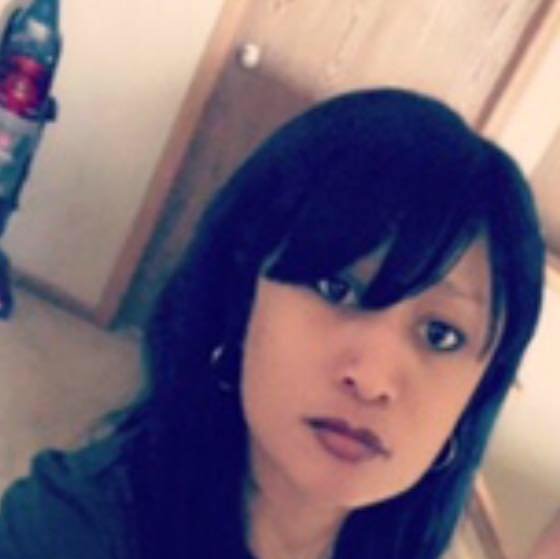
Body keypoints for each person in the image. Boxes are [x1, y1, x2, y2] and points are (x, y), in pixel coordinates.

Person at [0, 88, 545, 559]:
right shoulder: (66, 531)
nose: (372, 379)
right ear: (243, 295)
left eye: (441, 334)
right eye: (336, 289)